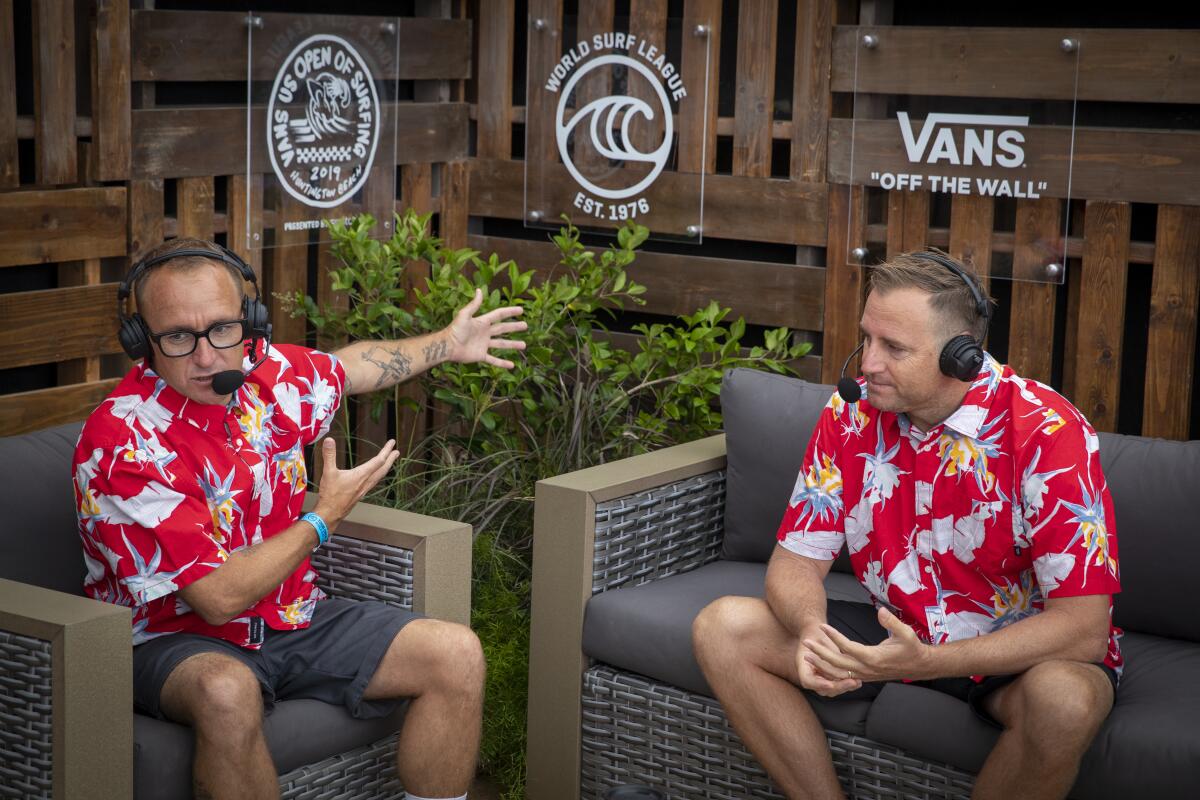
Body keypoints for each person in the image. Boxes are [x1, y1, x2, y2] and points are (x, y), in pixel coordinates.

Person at [73, 237, 528, 800]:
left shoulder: (271, 377)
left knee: (455, 654)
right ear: (141, 340)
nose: (207, 355)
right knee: (224, 691)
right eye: (177, 337)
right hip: (173, 639)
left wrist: (448, 343)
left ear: (250, 322)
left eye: (222, 329)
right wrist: (323, 518)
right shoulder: (121, 440)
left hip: (291, 617)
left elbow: (350, 367)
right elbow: (216, 598)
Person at [692, 250, 1121, 800]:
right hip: (894, 631)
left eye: (893, 348)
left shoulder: (1047, 431)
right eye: (867, 337)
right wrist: (811, 634)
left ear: (960, 357)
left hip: (1011, 654)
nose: (867, 363)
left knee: (1067, 701)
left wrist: (927, 661)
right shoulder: (851, 412)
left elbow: (1084, 630)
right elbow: (795, 563)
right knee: (722, 628)